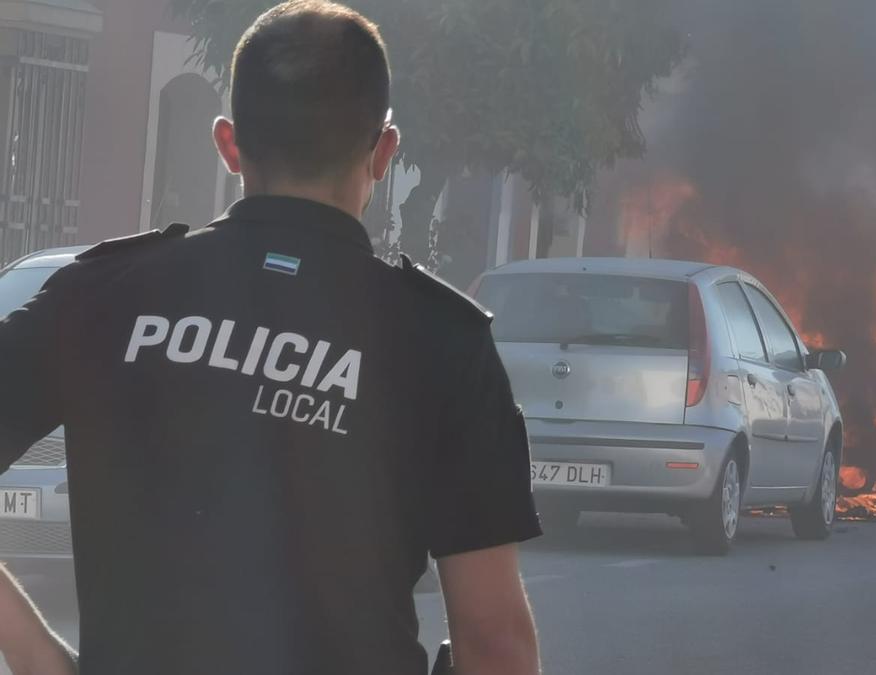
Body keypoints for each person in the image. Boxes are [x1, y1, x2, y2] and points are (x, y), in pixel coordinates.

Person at [0, 2, 542, 673]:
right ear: (383, 152)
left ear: (228, 144)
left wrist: (40, 660)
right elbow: (494, 641)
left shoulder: (103, 295)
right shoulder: (442, 341)